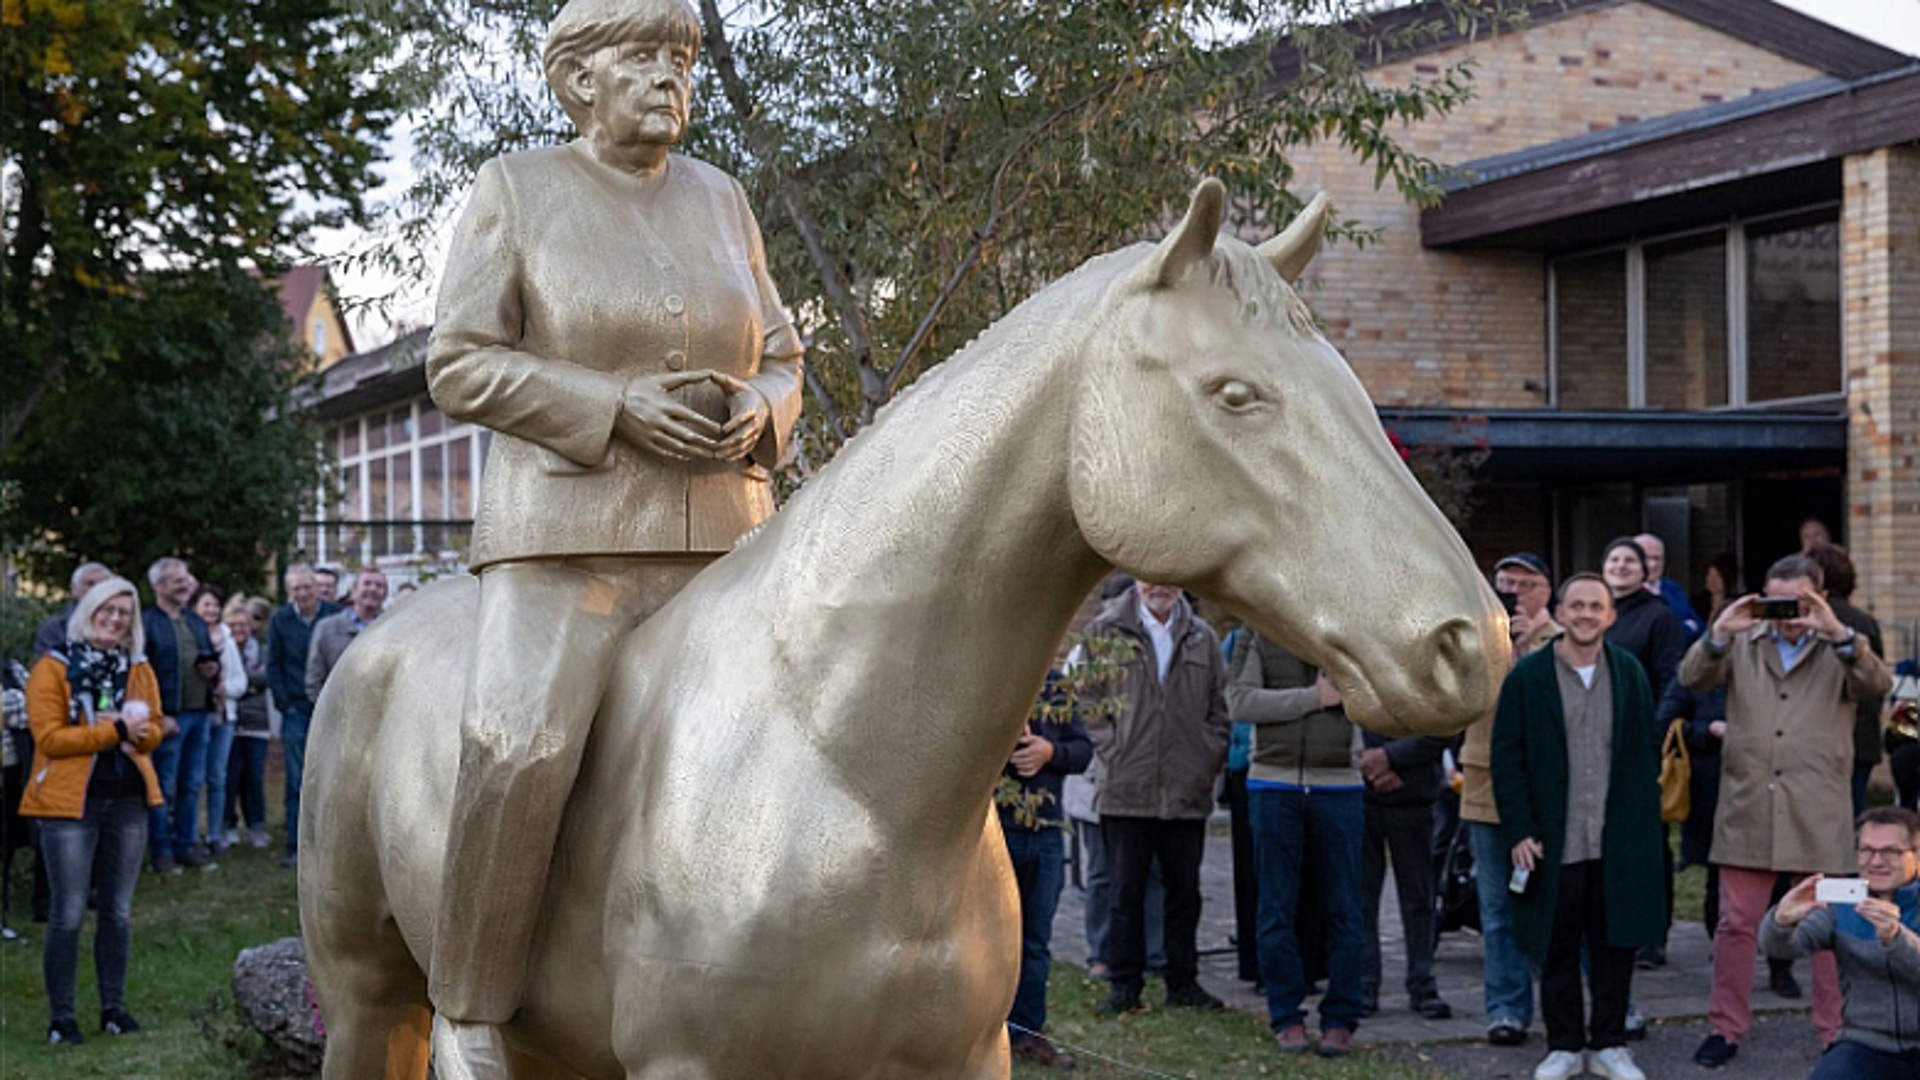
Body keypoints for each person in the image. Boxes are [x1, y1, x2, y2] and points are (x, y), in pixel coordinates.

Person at [422, 0, 807, 1067]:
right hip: (567, 544)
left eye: (680, 59)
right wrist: (613, 406)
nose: (668, 79)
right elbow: (457, 361)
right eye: (643, 58)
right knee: (517, 741)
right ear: (578, 80)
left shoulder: (725, 199)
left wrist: (761, 411)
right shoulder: (518, 191)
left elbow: (785, 353)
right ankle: (469, 1011)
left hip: (729, 544)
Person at [1682, 554, 1893, 1069]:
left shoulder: (1843, 646)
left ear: (1818, 597)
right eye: (1775, 600)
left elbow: (1879, 685)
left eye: (1798, 601)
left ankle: (1836, 1030)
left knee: (1831, 921)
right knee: (1736, 924)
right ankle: (1725, 1027)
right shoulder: (1743, 642)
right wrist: (1718, 631)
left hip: (1820, 810)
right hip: (1748, 805)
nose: (1785, 613)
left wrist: (1837, 631)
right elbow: (1692, 678)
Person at [1491, 574, 1663, 1080]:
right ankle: (1564, 1044)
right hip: (1554, 839)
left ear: (1611, 616)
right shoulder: (1528, 678)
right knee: (1556, 945)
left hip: (1614, 839)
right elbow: (1508, 758)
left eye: (1597, 606)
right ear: (1561, 612)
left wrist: (1641, 832)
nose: (1587, 614)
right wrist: (1520, 829)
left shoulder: (1629, 673)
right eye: (1577, 605)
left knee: (1615, 945)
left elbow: (1642, 755)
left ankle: (1609, 1043)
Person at [19, 577, 167, 1046]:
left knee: (118, 912)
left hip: (127, 800)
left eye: (125, 611)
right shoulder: (54, 667)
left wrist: (141, 733)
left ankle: (113, 1008)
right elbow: (50, 739)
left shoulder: (138, 666)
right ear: (88, 611)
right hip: (68, 806)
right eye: (108, 609)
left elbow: (158, 726)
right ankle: (62, 1017)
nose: (116, 618)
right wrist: (114, 730)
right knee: (67, 913)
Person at [1085, 580, 1231, 1017]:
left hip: (1186, 789)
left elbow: (1219, 710)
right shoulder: (1105, 632)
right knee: (1125, 892)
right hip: (1127, 788)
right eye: (1150, 576)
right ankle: (1124, 984)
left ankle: (1182, 982)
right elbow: (1089, 699)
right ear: (1136, 577)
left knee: (1184, 893)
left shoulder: (1202, 637)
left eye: (1169, 577)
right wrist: (1114, 750)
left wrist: (1205, 758)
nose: (1159, 586)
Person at [1228, 626, 1365, 1056]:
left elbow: (1377, 697)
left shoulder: (1354, 631)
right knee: (1275, 908)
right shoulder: (1259, 629)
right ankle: (1286, 1016)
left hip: (1340, 783)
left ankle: (1340, 1019)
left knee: (1343, 908)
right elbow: (1241, 701)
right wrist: (1313, 697)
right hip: (1273, 783)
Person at [1462, 551, 1561, 1046]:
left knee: (1557, 903)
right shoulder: (1476, 643)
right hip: (1486, 789)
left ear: (1547, 591)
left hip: (1548, 796)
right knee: (1497, 909)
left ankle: (1568, 1003)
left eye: (1527, 584)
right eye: (1506, 584)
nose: (1516, 594)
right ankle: (1506, 1008)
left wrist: (1526, 653)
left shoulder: (1563, 643)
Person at [1761, 807, 1920, 1080]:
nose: (1877, 861)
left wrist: (1896, 939)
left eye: (1891, 851)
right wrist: (1781, 921)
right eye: (1867, 850)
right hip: (1865, 1041)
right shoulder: (1842, 904)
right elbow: (1781, 949)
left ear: (1916, 856)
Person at [1001, 674, 1093, 1070]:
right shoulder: (991, 679)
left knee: (1035, 940)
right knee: (992, 938)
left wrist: (1049, 750)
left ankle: (1027, 1032)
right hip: (997, 831)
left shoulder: (1057, 687)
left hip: (1047, 831)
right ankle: (987, 1032)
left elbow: (1083, 750)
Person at [1358, 724, 1453, 1021]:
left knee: (1419, 897)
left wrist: (1389, 756)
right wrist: (1371, 765)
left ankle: (1423, 983)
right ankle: (1364, 984)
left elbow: (1443, 726)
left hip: (1414, 792)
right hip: (1360, 793)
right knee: (1361, 897)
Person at [137, 557, 211, 874]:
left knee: (192, 784)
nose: (184, 584)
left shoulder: (194, 620)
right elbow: (139, 674)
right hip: (167, 718)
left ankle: (186, 845)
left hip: (199, 714)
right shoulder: (146, 623)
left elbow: (208, 657)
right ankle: (161, 850)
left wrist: (213, 669)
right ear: (158, 585)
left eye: (185, 578)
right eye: (176, 579)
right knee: (163, 786)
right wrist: (158, 715)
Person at [266, 564, 340, 869]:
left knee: (334, 775)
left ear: (316, 587)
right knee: (297, 779)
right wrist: (286, 704)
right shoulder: (281, 620)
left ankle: (332, 843)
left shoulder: (334, 615)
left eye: (306, 587)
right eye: (296, 589)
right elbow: (274, 664)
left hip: (334, 707)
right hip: (297, 709)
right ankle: (297, 845)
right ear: (289, 592)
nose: (302, 593)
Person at [1807, 543, 1888, 817]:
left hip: (1822, 736)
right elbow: (1877, 678)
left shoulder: (1809, 620)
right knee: (1853, 815)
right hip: (1862, 737)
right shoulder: (1864, 622)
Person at [186, 585, 245, 859]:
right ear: (195, 607)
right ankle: (191, 832)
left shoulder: (227, 640)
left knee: (217, 777)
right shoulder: (189, 635)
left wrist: (226, 690)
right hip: (197, 714)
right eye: (205, 605)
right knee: (193, 778)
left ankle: (215, 833)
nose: (211, 610)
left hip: (223, 717)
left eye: (215, 605)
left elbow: (240, 682)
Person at [222, 595, 272, 850]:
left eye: (243, 625)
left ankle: (257, 826)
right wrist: (248, 681)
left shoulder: (262, 650)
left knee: (253, 777)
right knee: (229, 777)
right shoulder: (222, 650)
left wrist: (238, 682)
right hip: (228, 722)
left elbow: (266, 678)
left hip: (256, 723)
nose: (239, 630)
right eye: (233, 625)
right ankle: (228, 825)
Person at [303, 569, 390, 705]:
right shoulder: (326, 628)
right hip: (337, 714)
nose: (373, 589)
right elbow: (314, 678)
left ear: (385, 594)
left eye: (379, 586)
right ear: (353, 591)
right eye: (367, 583)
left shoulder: (391, 629)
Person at [32, 563, 113, 662]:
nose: (96, 589)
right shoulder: (54, 629)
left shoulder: (123, 625)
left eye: (103, 584)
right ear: (74, 588)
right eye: (90, 584)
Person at [1633, 533, 1702, 640]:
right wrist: (1684, 627)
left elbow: (1699, 627)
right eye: (1646, 558)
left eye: (1657, 558)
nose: (1653, 564)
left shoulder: (1672, 588)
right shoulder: (1625, 592)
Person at [1692, 554, 1741, 630]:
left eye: (1717, 576)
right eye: (1709, 575)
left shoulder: (1736, 604)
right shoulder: (1697, 604)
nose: (1712, 580)